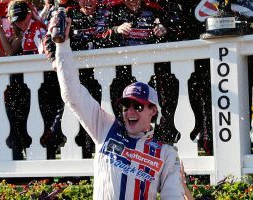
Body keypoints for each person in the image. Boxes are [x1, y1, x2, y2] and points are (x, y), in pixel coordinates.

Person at [49, 15, 185, 199]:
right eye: (125, 106)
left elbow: (173, 196)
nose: (129, 111)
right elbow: (73, 94)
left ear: (153, 111)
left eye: (137, 106)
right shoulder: (105, 128)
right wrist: (62, 45)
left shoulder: (166, 153)